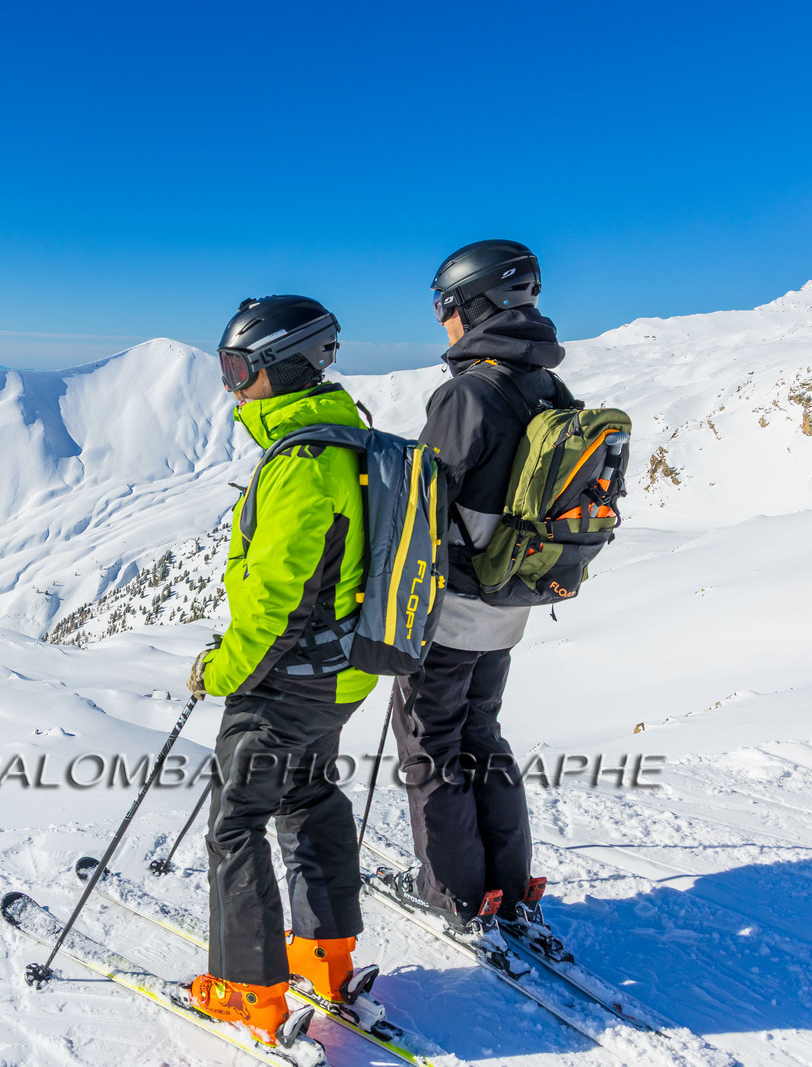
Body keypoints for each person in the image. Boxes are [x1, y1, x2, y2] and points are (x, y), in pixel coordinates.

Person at [184, 295, 384, 1049]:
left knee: (237, 820)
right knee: (308, 795)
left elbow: (273, 603)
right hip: (340, 674)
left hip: (287, 677)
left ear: (281, 366)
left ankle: (249, 990)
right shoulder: (344, 438)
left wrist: (221, 669)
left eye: (237, 367)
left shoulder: (302, 463)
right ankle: (325, 956)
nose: (231, 384)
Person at [390, 240, 574, 929]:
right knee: (481, 734)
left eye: (445, 304)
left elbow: (424, 508)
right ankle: (507, 883)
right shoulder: (546, 386)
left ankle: (458, 895)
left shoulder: (469, 392)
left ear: (476, 304)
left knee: (430, 744)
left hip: (452, 607)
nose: (441, 320)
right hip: (511, 600)